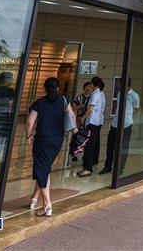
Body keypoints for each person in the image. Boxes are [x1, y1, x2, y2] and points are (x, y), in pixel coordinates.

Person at [26, 77, 77, 217]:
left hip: (42, 140)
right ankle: (34, 199)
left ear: (44, 88)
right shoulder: (64, 101)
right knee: (44, 168)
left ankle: (47, 205)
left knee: (42, 169)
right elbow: (72, 117)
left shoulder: (39, 103)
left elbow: (29, 122)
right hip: (57, 140)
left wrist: (29, 136)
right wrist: (75, 131)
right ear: (57, 88)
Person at [98, 77, 138, 175]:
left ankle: (120, 168)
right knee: (110, 146)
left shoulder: (134, 95)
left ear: (125, 84)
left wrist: (131, 120)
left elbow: (136, 109)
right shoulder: (120, 93)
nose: (117, 85)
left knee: (123, 147)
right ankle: (108, 166)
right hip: (115, 124)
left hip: (126, 125)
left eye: (119, 83)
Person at [77, 77, 105, 177]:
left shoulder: (95, 94)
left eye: (90, 85)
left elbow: (90, 109)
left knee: (88, 145)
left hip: (92, 122)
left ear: (93, 85)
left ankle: (87, 168)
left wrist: (83, 118)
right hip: (97, 122)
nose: (90, 86)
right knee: (93, 143)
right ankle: (92, 162)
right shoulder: (101, 93)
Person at [69, 80, 94, 161]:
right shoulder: (79, 97)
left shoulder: (92, 98)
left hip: (88, 120)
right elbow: (72, 108)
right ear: (85, 88)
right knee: (76, 137)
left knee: (86, 137)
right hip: (79, 120)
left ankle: (85, 155)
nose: (91, 88)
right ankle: (73, 154)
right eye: (89, 86)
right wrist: (80, 106)